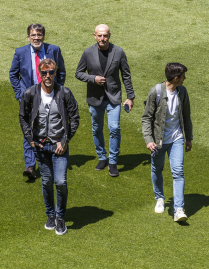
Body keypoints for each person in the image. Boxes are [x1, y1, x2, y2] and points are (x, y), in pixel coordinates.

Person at [19, 59, 79, 235]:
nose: (47, 76)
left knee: (60, 182)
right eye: (44, 73)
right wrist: (29, 138)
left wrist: (65, 140)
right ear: (39, 73)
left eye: (51, 72)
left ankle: (60, 217)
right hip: (39, 146)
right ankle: (50, 215)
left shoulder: (64, 93)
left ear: (55, 73)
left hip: (59, 146)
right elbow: (23, 116)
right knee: (46, 182)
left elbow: (75, 118)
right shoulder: (30, 93)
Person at [75, 24, 135, 177]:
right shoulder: (88, 53)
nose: (102, 38)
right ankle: (102, 157)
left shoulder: (119, 52)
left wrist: (130, 97)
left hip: (113, 98)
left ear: (109, 35)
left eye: (105, 35)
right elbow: (78, 73)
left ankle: (113, 161)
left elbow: (126, 75)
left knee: (114, 128)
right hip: (95, 98)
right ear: (94, 35)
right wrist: (92, 78)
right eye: (99, 35)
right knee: (97, 128)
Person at [10, 23, 66, 179]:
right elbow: (13, 75)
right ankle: (30, 166)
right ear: (28, 37)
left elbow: (61, 72)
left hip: (49, 96)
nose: (36, 38)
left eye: (39, 35)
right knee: (28, 130)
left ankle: (50, 159)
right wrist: (19, 94)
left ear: (43, 36)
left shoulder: (54, 50)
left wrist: (58, 91)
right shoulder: (20, 52)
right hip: (28, 98)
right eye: (33, 35)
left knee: (49, 127)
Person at [142, 63, 193, 222]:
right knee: (157, 168)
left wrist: (189, 137)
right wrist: (149, 140)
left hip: (176, 138)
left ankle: (178, 209)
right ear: (176, 78)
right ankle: (160, 198)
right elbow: (146, 118)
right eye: (183, 76)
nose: (185, 78)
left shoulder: (182, 92)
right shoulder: (156, 92)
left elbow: (186, 116)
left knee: (178, 171)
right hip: (158, 141)